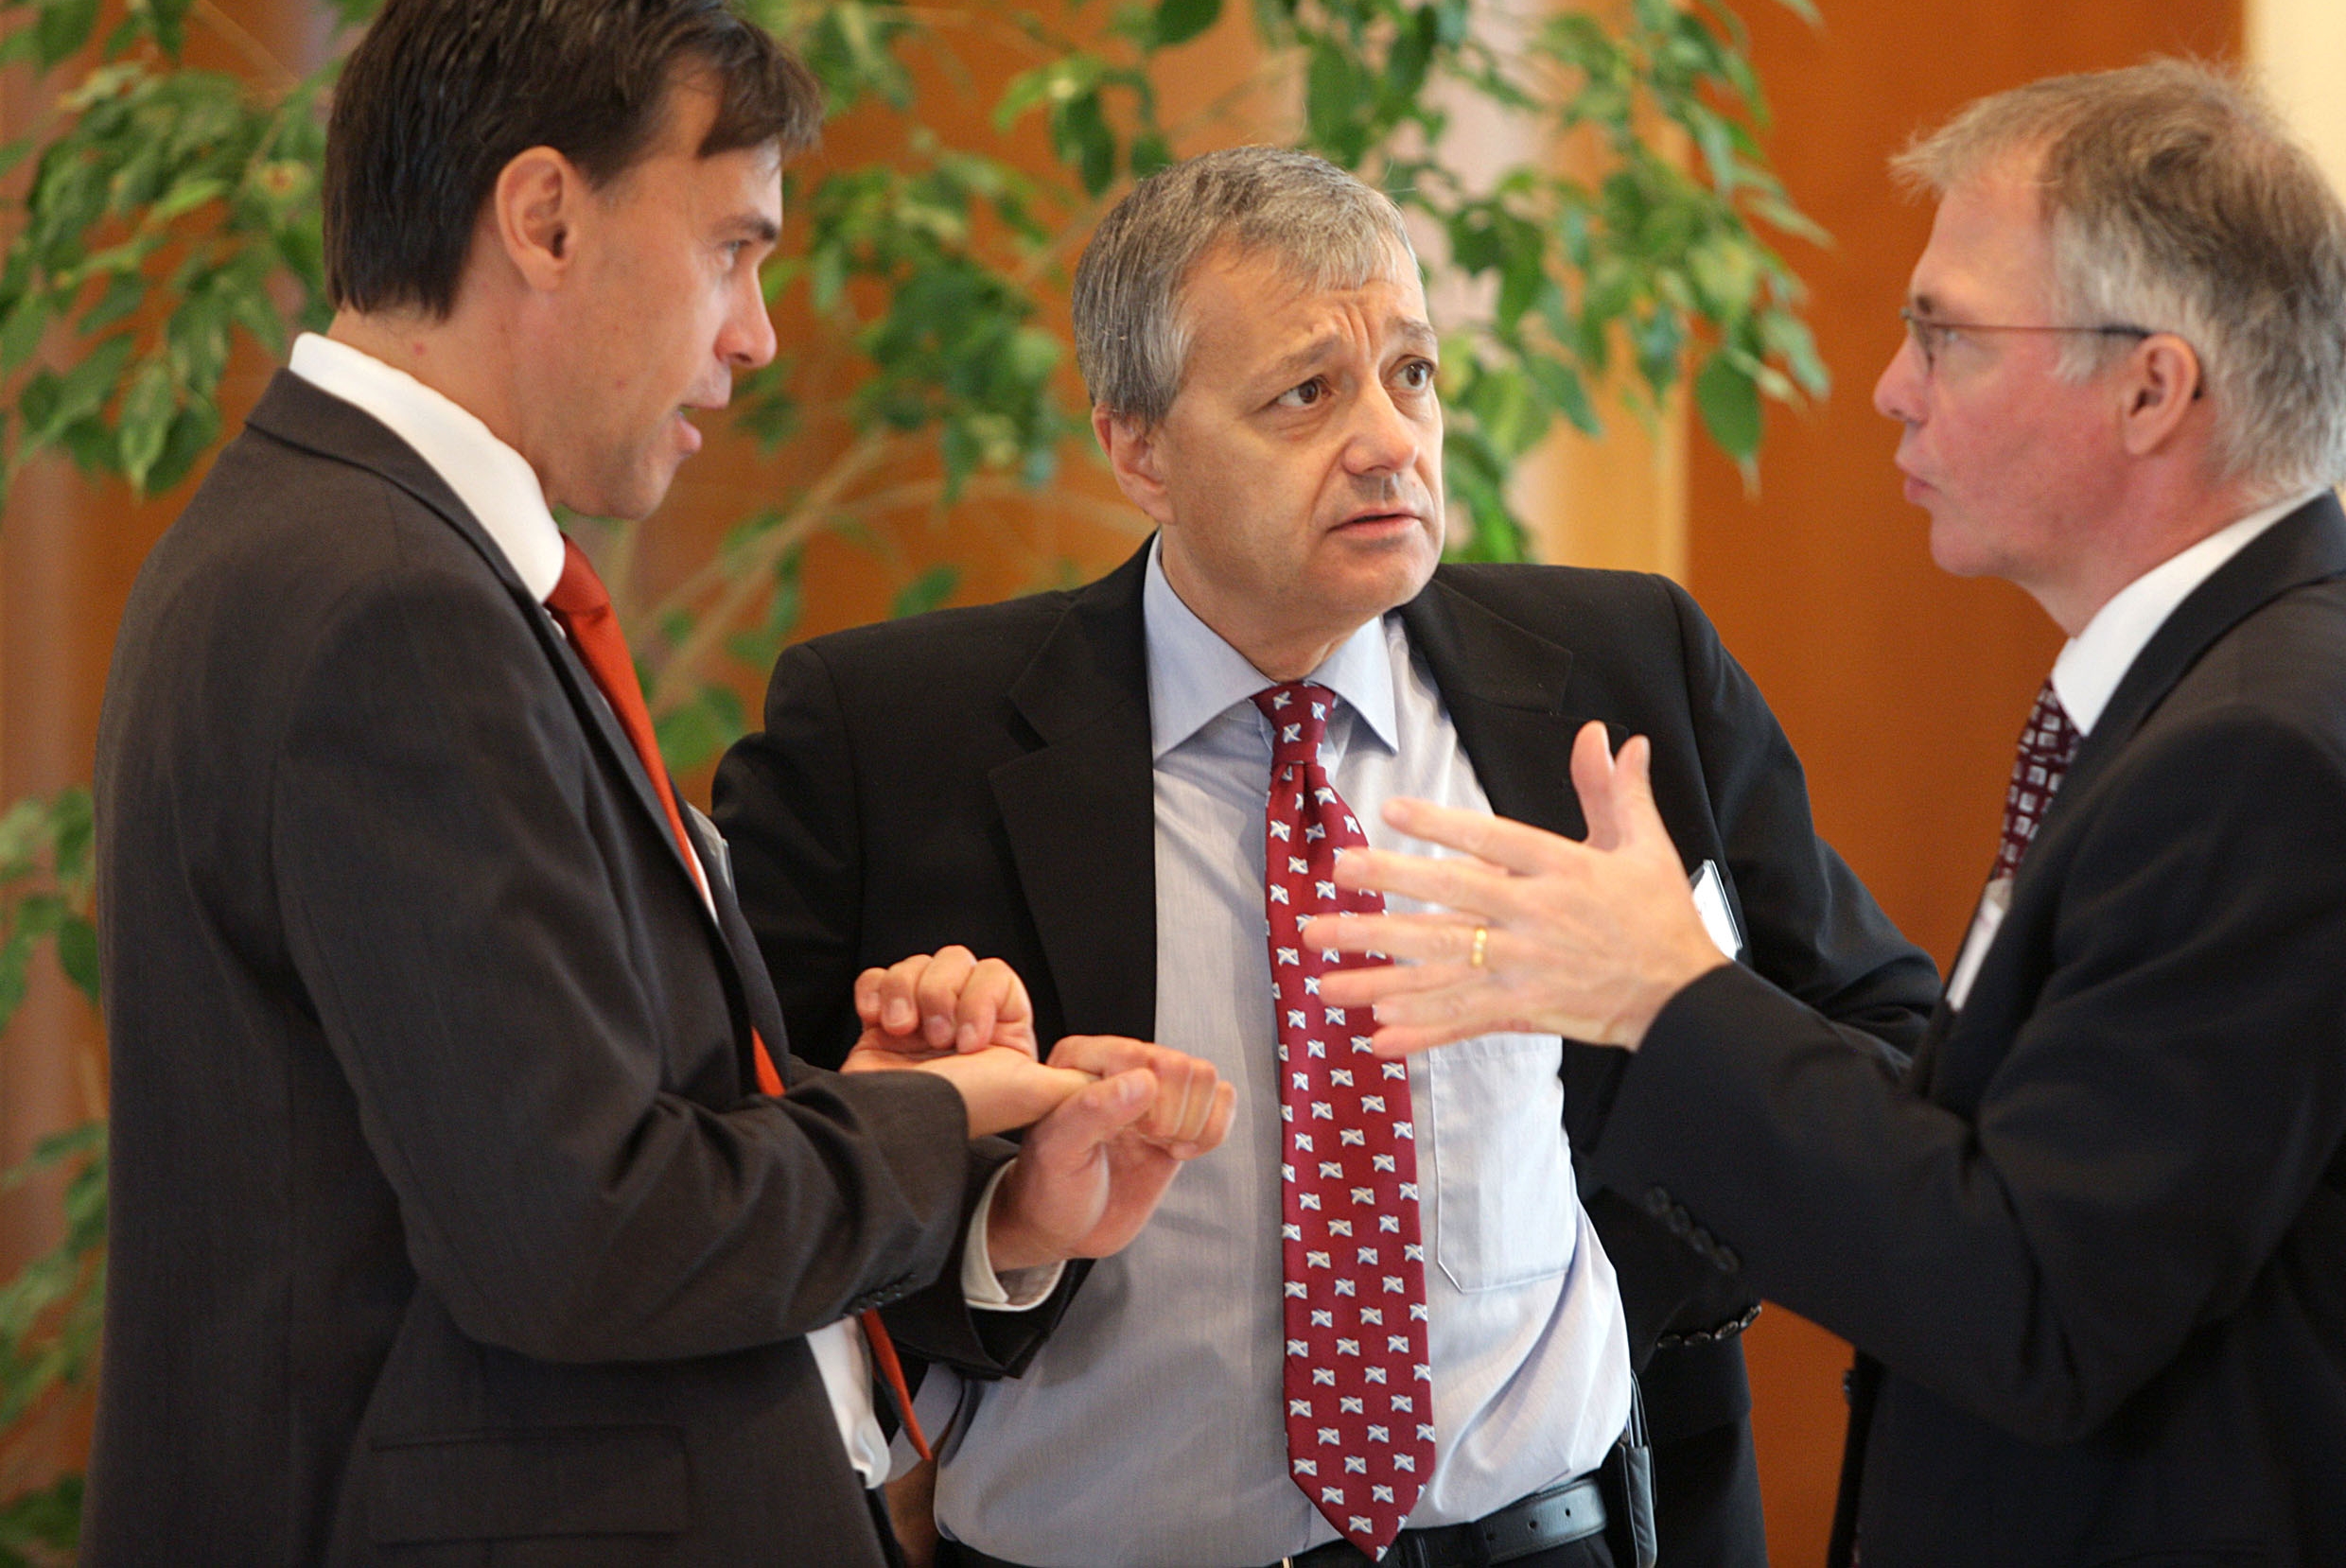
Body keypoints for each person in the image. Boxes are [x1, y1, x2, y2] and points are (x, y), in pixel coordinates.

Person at [1312, 60, 2346, 1567]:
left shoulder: (2262, 758)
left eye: (1947, 335)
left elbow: (2027, 1304)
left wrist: (1666, 995)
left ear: (2152, 388)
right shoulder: (2275, 683)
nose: (1891, 385)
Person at [86, 0, 1228, 1568]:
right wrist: (933, 1120)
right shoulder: (388, 606)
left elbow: (542, 1140)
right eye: (733, 250)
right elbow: (580, 1234)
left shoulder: (348, 550)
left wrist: (921, 1146)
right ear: (546, 217)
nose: (756, 333)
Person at [712, 146, 1942, 1566]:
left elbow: (1885, 1042)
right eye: (1307, 393)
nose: (1388, 440)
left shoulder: (1623, 669)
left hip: (1550, 1538)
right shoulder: (891, 735)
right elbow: (747, 1190)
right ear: (1138, 449)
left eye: (1411, 374)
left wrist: (1669, 1023)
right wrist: (996, 1211)